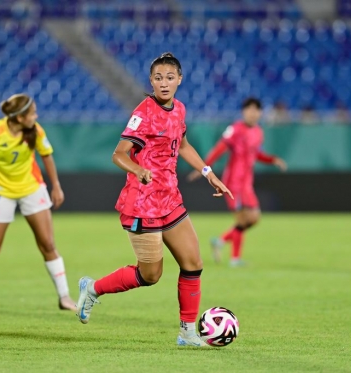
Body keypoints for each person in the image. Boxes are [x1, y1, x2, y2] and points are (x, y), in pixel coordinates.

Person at [75, 52, 233, 347]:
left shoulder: (180, 109)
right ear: (151, 80)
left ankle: (187, 332)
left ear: (179, 80)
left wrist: (208, 171)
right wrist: (139, 170)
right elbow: (118, 154)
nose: (164, 83)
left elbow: (183, 145)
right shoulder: (144, 112)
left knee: (193, 262)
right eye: (158, 78)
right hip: (142, 203)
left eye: (169, 78)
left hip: (170, 199)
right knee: (150, 275)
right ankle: (93, 288)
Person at [0, 94, 76, 312]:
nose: (36, 116)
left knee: (48, 245)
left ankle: (65, 297)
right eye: (32, 113)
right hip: (1, 192)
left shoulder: (36, 130)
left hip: (32, 189)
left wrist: (56, 186)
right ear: (20, 117)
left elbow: (47, 156)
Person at [188, 98, 287, 267]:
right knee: (244, 218)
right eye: (249, 110)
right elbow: (220, 148)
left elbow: (257, 154)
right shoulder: (235, 130)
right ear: (244, 112)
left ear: (260, 113)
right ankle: (234, 258)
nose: (253, 113)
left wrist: (272, 160)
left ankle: (221, 241)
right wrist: (204, 167)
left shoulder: (258, 132)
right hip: (234, 182)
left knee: (253, 218)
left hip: (246, 183)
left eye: (256, 110)